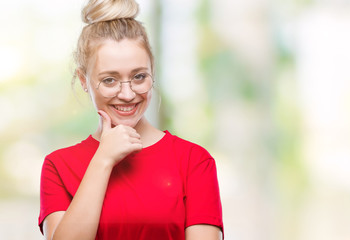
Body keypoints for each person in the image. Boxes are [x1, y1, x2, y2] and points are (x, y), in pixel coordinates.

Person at [38, 0, 223, 239]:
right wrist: (103, 159)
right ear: (83, 80)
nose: (127, 94)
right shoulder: (58, 166)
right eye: (109, 80)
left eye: (138, 76)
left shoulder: (193, 162)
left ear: (152, 72)